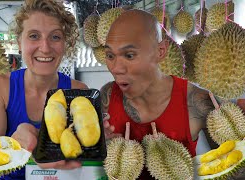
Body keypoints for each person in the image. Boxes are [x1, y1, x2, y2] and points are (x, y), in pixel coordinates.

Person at [101, 9, 245, 179]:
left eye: (129, 55)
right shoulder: (107, 95)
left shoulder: (200, 101)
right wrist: (99, 144)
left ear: (161, 52)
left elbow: (236, 162)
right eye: (110, 55)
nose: (116, 68)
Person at [0, 0, 87, 179]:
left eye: (55, 37)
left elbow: (83, 160)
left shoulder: (79, 92)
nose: (45, 48)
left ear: (65, 44)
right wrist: (12, 144)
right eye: (34, 36)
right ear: (19, 42)